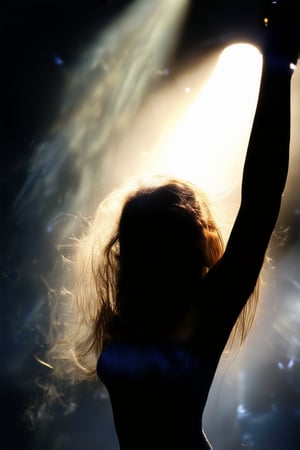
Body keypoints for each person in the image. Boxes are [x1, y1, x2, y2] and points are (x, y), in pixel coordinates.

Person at [46, 2, 299, 449]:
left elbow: (261, 203)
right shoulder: (131, 309)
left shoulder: (206, 310)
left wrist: (279, 68)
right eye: (136, 240)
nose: (135, 251)